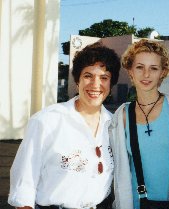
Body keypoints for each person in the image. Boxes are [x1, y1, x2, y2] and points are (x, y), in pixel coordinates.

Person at [8, 42, 120, 209]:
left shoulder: (114, 125)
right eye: (88, 75)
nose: (95, 84)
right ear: (77, 80)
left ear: (110, 85)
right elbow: (24, 183)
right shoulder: (46, 121)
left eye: (104, 77)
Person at [109, 39, 169, 209]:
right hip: (135, 204)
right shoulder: (122, 115)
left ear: (163, 72)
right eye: (140, 67)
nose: (146, 74)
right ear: (130, 71)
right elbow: (119, 169)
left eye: (153, 68)